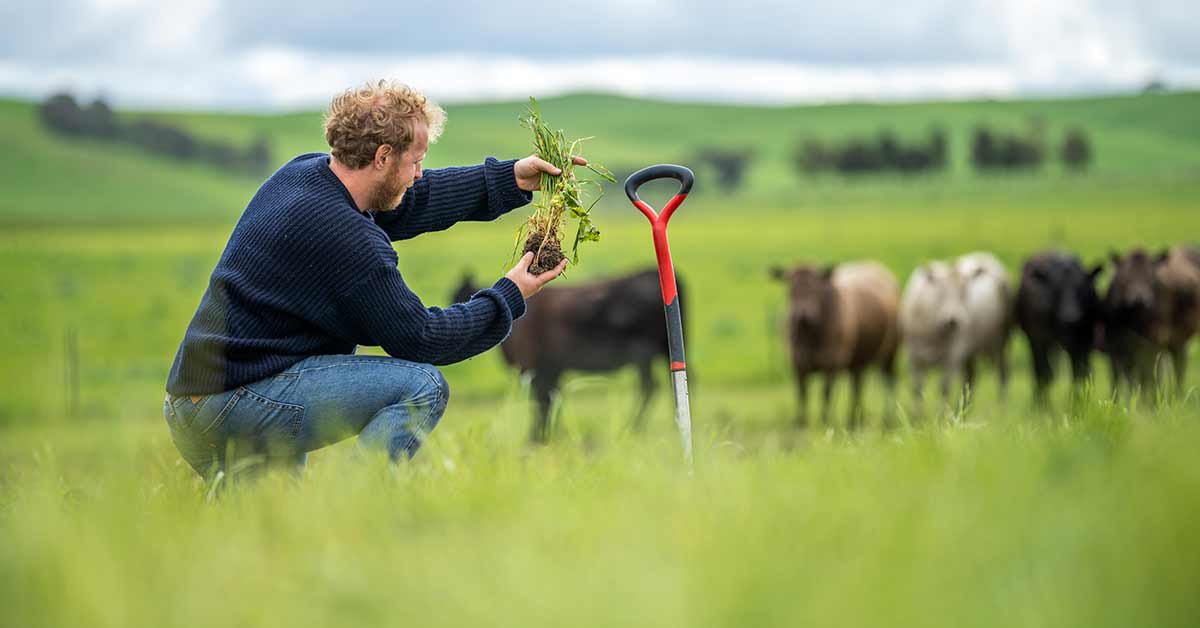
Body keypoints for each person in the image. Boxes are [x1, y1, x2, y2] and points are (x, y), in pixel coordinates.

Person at [163, 80, 578, 480]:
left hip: (202, 399)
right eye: (415, 161)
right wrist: (510, 294)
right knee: (422, 387)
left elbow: (414, 200)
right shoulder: (347, 238)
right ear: (382, 157)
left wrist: (510, 178)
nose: (419, 173)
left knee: (273, 520)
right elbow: (423, 338)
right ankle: (356, 504)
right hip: (235, 403)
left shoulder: (307, 175)